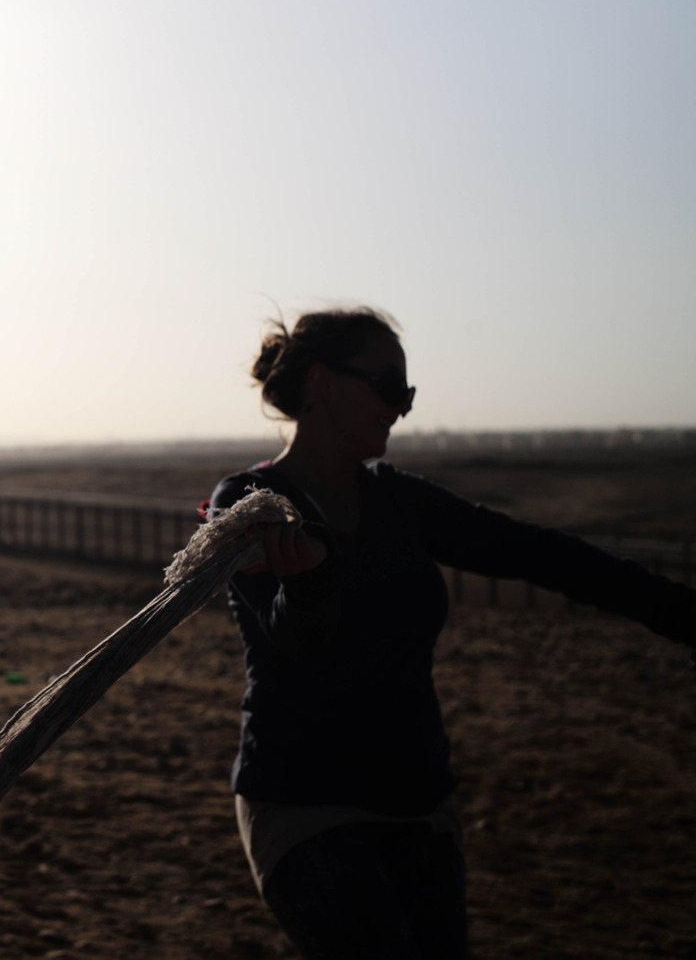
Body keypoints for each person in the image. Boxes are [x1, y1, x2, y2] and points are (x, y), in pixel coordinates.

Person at [207, 307, 696, 958]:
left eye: (405, 393)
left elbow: (538, 553)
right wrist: (308, 584)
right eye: (387, 385)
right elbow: (290, 644)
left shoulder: (402, 502)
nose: (399, 407)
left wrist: (675, 611)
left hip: (418, 802)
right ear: (322, 383)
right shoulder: (250, 503)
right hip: (304, 803)